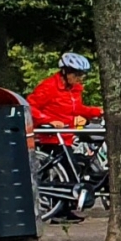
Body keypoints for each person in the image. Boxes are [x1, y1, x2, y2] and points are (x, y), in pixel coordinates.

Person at [27, 54, 101, 222]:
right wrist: (48, 121)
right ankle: (59, 211)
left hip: (67, 135)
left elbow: (77, 109)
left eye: (82, 75)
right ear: (65, 72)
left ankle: (65, 209)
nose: (80, 78)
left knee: (73, 170)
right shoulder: (49, 87)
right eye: (77, 74)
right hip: (51, 137)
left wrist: (97, 111)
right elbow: (30, 106)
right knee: (66, 172)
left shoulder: (74, 89)